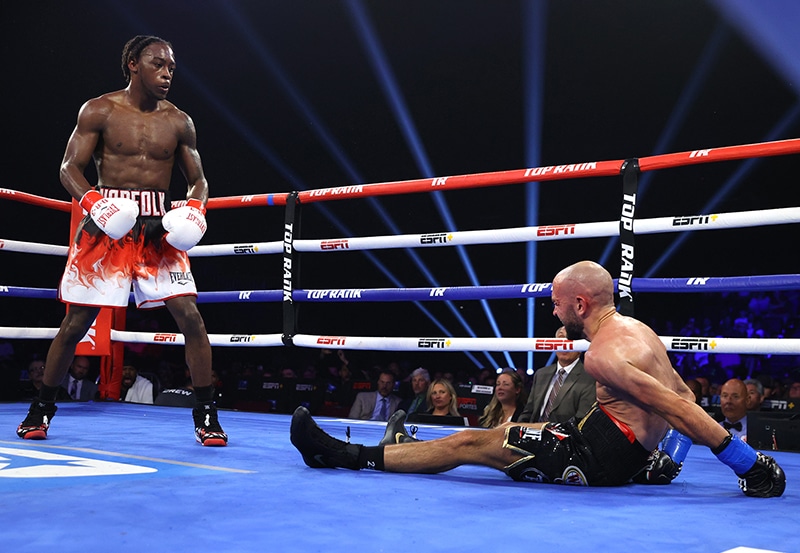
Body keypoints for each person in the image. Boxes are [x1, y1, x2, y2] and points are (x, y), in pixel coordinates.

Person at [290, 260, 785, 497]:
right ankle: (399, 449)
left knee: (470, 443)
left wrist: (749, 464)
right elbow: (680, 392)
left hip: (594, 457)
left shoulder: (603, 358)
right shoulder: (640, 332)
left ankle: (339, 454)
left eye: (556, 302)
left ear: (580, 304)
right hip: (616, 450)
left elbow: (681, 407)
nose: (551, 311)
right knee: (485, 439)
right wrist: (661, 461)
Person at [15, 35, 226, 446]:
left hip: (156, 230)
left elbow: (198, 180)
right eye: (157, 64)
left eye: (171, 67)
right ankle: (40, 410)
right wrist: (96, 203)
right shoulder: (100, 110)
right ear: (133, 63)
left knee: (191, 318)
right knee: (77, 323)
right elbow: (68, 168)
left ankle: (206, 416)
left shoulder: (180, 121)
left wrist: (195, 209)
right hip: (106, 225)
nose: (167, 73)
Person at [518, 326, 596, 423]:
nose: (564, 344)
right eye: (561, 338)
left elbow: (581, 419)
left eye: (570, 339)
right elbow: (528, 412)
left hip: (564, 435)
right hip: (532, 433)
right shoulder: (541, 374)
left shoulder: (589, 377)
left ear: (580, 347)